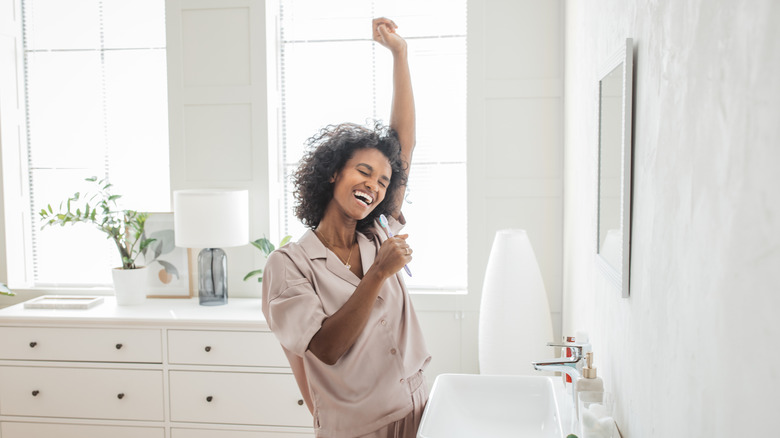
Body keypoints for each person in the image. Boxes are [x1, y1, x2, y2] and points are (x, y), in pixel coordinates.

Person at [261, 17, 430, 438]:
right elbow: (326, 348)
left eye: (383, 182)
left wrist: (400, 54)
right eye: (364, 172)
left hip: (418, 408)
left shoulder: (377, 232)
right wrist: (378, 273)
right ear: (334, 173)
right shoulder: (290, 266)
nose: (373, 187)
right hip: (357, 429)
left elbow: (403, 146)